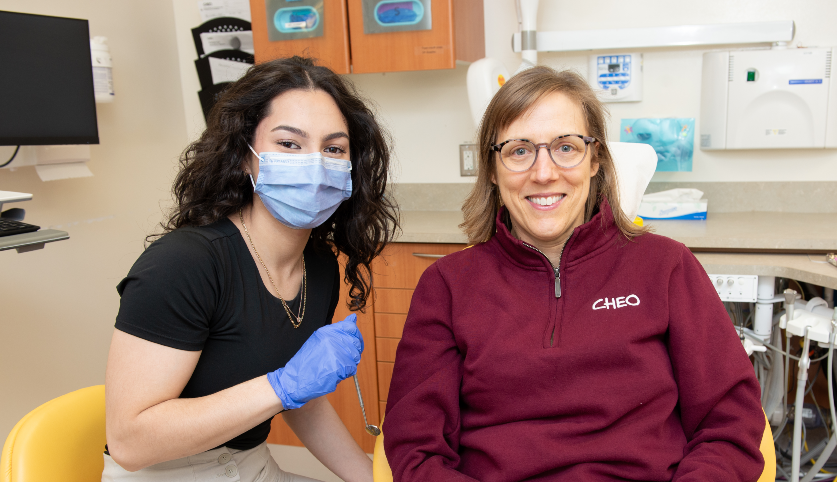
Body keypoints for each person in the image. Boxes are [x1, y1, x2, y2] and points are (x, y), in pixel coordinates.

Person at [383, 66, 765, 481]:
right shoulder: (448, 286)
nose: (544, 173)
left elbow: (728, 424)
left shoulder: (666, 267)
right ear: (492, 170)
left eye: (565, 147)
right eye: (519, 150)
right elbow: (416, 449)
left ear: (595, 159)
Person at [103, 56, 398, 481]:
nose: (315, 165)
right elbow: (131, 443)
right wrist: (282, 387)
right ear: (245, 156)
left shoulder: (318, 266)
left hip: (251, 464)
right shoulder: (184, 264)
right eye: (289, 144)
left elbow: (301, 397)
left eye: (333, 148)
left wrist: (369, 478)